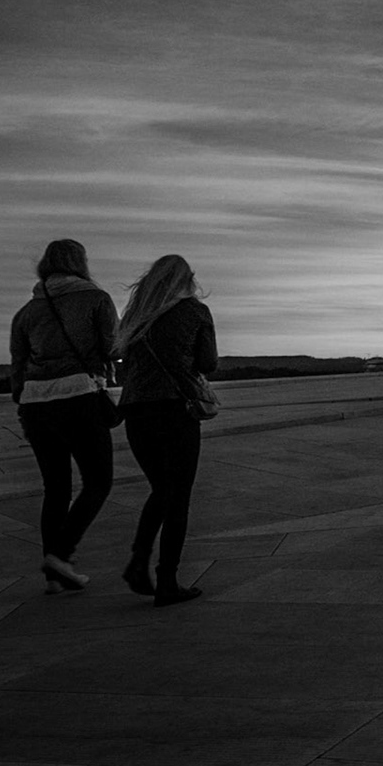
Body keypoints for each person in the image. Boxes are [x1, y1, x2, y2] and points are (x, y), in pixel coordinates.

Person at [10, 239, 119, 594]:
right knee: (98, 481)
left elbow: (17, 370)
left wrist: (29, 398)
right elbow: (112, 348)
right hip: (78, 397)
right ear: (80, 263)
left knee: (55, 488)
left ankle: (53, 575)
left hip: (35, 404)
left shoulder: (26, 312)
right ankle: (60, 554)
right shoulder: (96, 298)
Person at [116, 254, 217, 607]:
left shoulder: (135, 317)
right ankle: (167, 580)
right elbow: (208, 363)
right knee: (178, 495)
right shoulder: (195, 311)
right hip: (176, 409)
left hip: (135, 412)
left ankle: (139, 562)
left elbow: (121, 373)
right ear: (187, 280)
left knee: (161, 489)